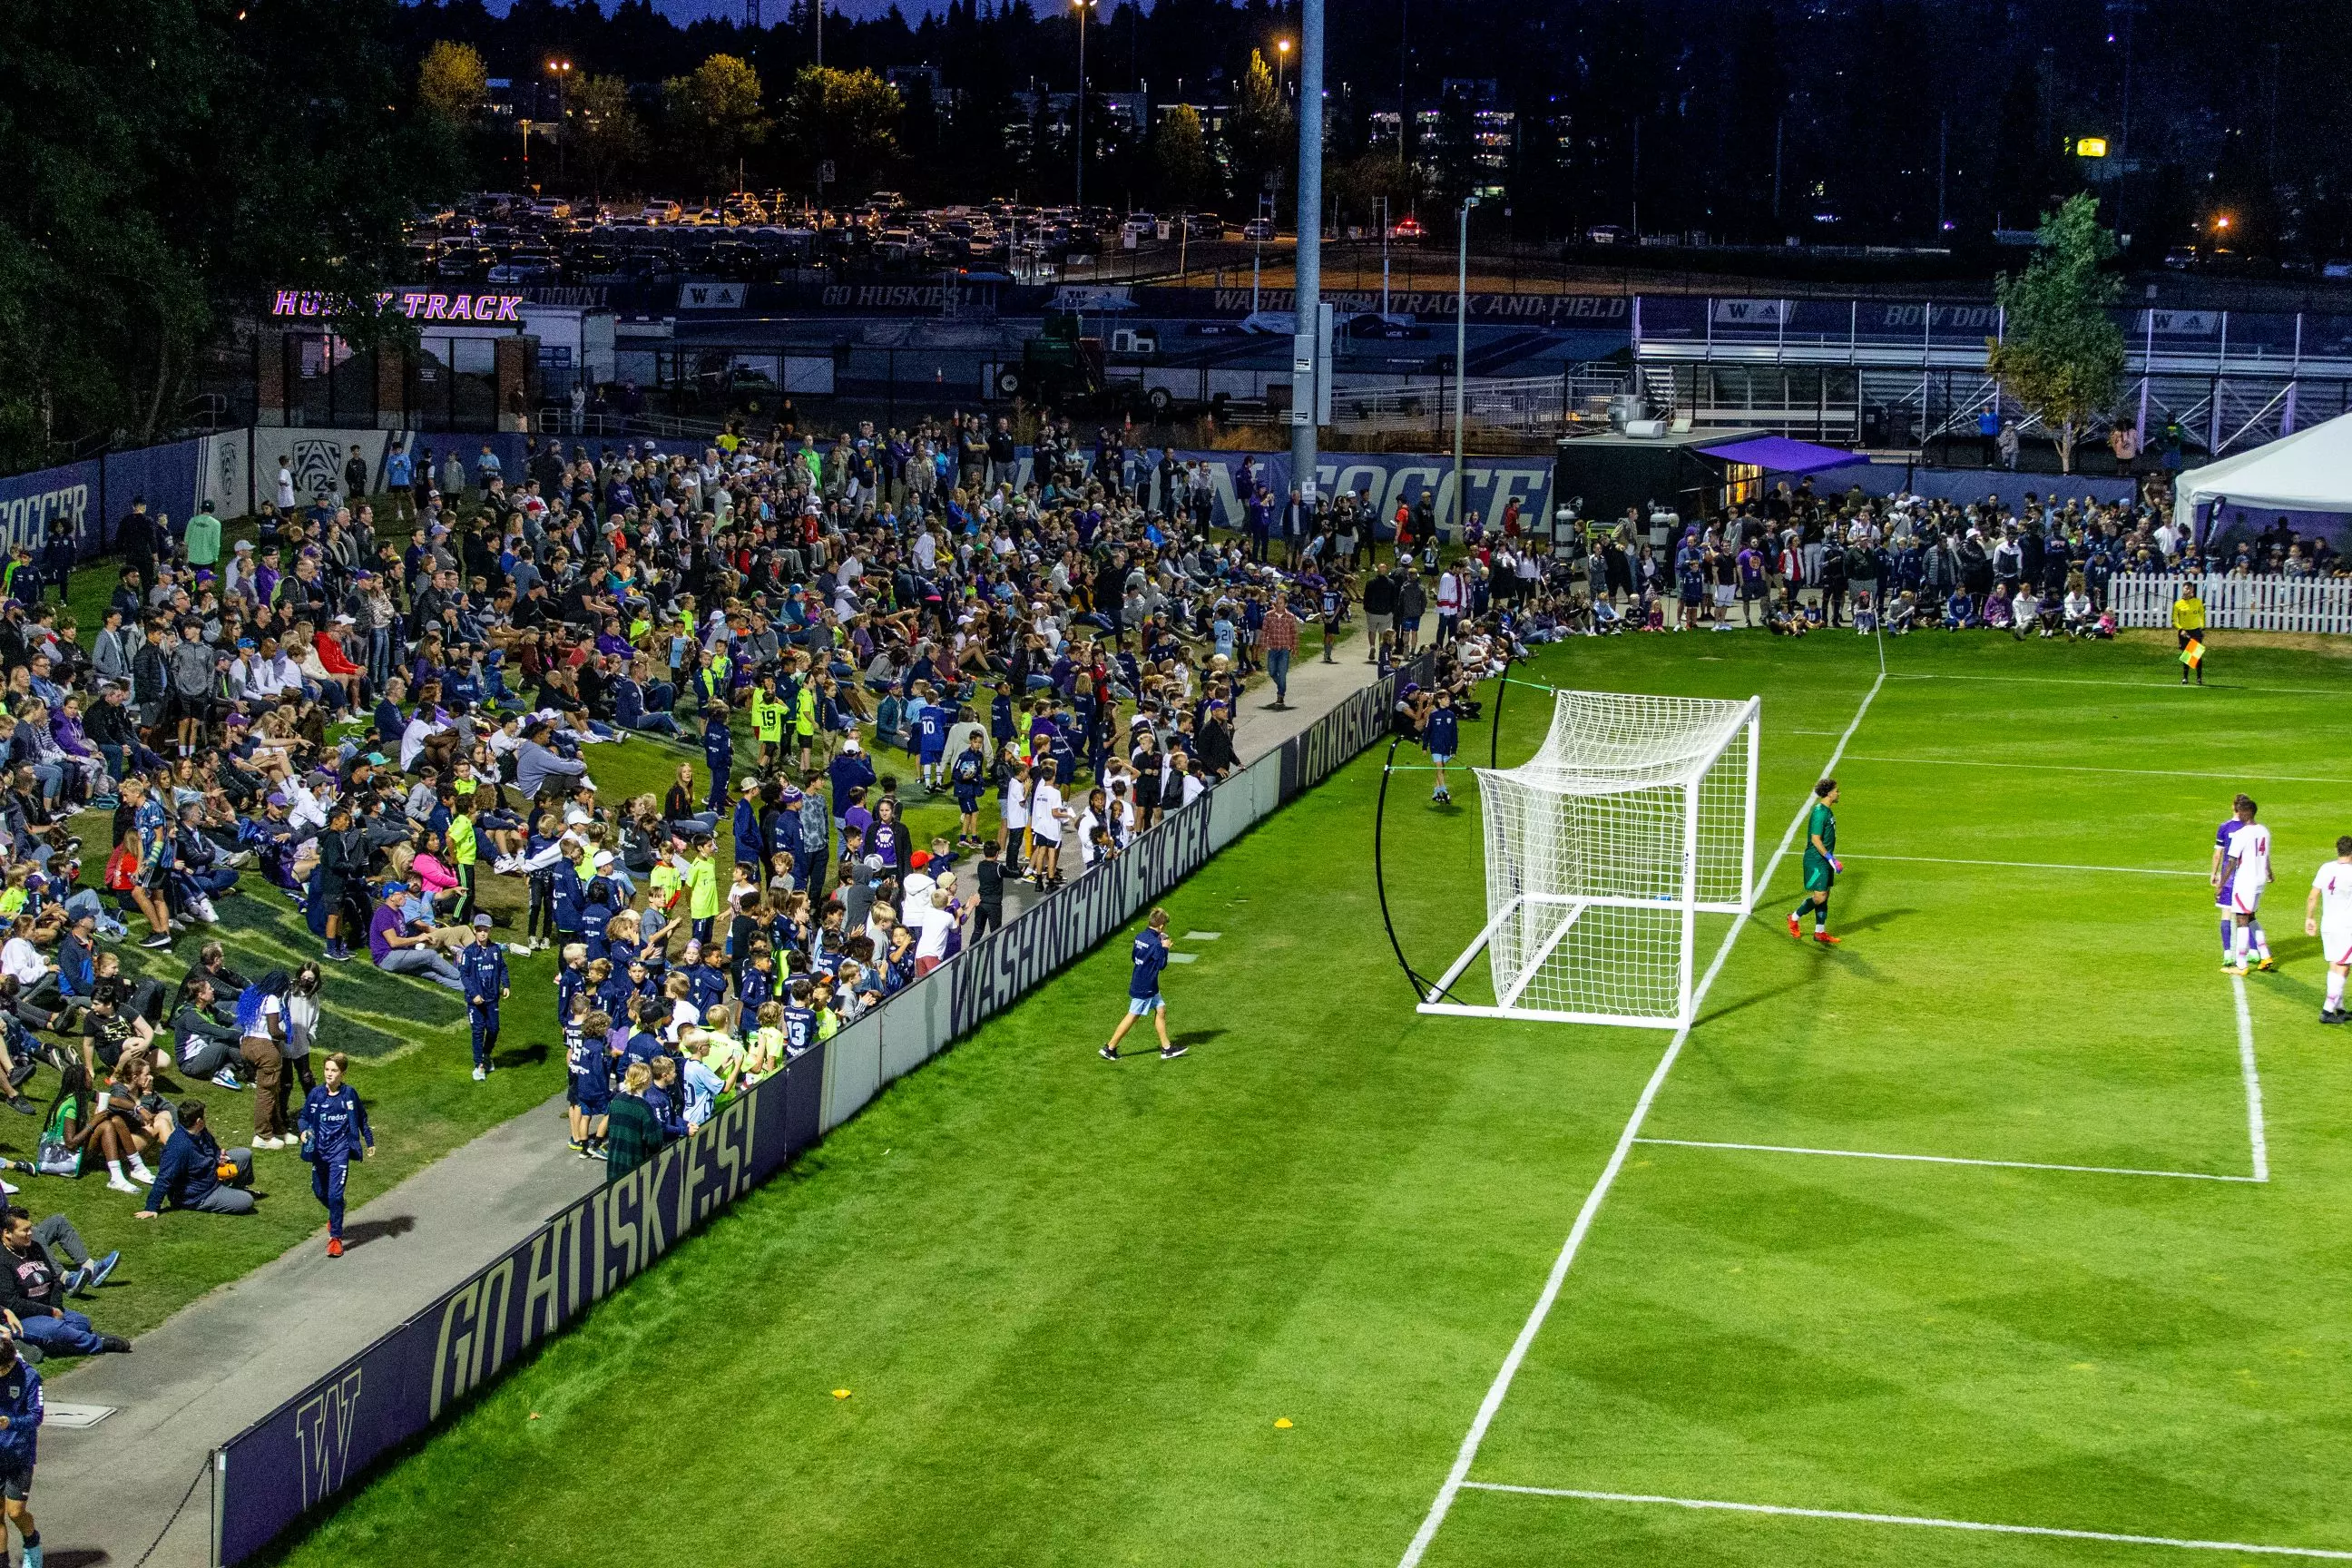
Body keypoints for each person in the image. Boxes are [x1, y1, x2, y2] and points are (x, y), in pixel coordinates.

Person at [0, 1208, 130, 1358]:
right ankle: (98, 1344)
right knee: (56, 1330)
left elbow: (54, 1279)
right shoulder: (2, 1260)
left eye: (30, 1228)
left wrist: (56, 1306)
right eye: (25, 1230)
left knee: (82, 1322)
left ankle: (50, 1345)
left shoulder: (34, 1247)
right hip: (21, 1317)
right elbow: (13, 1303)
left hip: (48, 1308)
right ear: (7, 1233)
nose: (30, 1233)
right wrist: (49, 1312)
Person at [299, 1053, 373, 1257]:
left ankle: (335, 1239)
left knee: (335, 1195)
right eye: (326, 1070)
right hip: (319, 1152)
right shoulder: (315, 1094)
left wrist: (368, 1141)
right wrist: (304, 1131)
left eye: (334, 1071)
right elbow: (303, 1117)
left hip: (340, 1152)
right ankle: (336, 1209)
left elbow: (361, 1119)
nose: (329, 1074)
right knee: (320, 1192)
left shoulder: (349, 1094)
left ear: (342, 1073)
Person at [135, 1100, 256, 1217]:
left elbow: (212, 1147)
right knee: (246, 1201)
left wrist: (219, 1155)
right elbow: (164, 1177)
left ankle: (237, 1188)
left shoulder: (200, 1131)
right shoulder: (178, 1147)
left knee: (244, 1154)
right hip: (199, 1194)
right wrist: (151, 1207)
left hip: (210, 1173)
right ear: (198, 1121)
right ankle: (219, 1196)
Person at [1100, 906, 1183, 1061]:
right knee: (1133, 1016)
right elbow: (1161, 965)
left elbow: (1134, 957)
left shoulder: (1140, 937)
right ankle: (1110, 1048)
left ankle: (1167, 1048)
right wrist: (1165, 949)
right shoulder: (1156, 944)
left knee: (1161, 1009)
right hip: (1146, 986)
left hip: (1142, 981)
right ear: (1161, 926)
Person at [0, 1327, 44, 1568]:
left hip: (19, 1455)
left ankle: (32, 1542)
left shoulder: (30, 1377)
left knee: (15, 1512)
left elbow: (36, 1417)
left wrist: (10, 1422)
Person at [2220, 794, 2273, 977]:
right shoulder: (2264, 831)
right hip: (2259, 881)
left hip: (2246, 882)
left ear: (2248, 812)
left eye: (2241, 811)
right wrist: (2270, 873)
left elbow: (2232, 861)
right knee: (2251, 917)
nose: (2238, 814)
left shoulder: (2242, 834)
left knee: (2241, 919)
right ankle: (2265, 956)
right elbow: (2265, 856)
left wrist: (2221, 885)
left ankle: (2241, 964)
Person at [1788, 778, 1842, 945]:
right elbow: (1815, 839)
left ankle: (1820, 932)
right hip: (1816, 860)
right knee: (1820, 897)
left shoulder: (1827, 810)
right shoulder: (1820, 812)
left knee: (1825, 894)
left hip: (1824, 859)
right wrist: (1830, 858)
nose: (1838, 793)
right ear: (1828, 793)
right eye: (1836, 790)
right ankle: (1793, 917)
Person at [457, 915, 510, 1081]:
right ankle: (478, 1064)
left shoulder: (495, 950)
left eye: (485, 930)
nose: (482, 934)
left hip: (492, 998)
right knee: (478, 1031)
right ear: (474, 931)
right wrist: (474, 994)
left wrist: (506, 985)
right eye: (479, 930)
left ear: (490, 931)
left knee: (494, 1029)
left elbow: (502, 968)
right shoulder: (469, 952)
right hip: (475, 1001)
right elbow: (464, 975)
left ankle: (486, 1055)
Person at [2307, 835, 2352, 1025]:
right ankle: (2327, 1010)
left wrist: (2309, 918)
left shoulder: (2326, 868)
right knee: (2343, 966)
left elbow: (2312, 896)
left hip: (2328, 925)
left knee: (2336, 964)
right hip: (2346, 927)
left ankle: (2339, 1008)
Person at [602, 1062, 662, 1181]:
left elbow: (610, 1127)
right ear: (646, 1081)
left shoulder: (617, 1100)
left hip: (614, 1161)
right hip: (634, 1163)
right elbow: (654, 1141)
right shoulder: (644, 1107)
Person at [1425, 688, 1459, 805]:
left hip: (1447, 747)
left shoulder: (1451, 715)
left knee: (1441, 769)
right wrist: (1424, 746)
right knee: (1439, 766)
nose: (1448, 700)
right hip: (1435, 746)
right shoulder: (1433, 715)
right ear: (1439, 701)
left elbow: (1454, 733)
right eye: (1445, 699)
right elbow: (1427, 731)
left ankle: (1436, 793)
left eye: (1448, 698)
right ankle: (1444, 790)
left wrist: (1454, 749)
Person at [2174, 580, 2207, 686]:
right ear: (2183, 589)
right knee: (2186, 655)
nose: (2187, 590)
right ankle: (2185, 678)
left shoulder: (2197, 602)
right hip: (2184, 632)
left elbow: (2202, 615)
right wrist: (2181, 629)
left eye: (2189, 588)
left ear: (2192, 590)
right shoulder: (2178, 604)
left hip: (2195, 631)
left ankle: (2199, 678)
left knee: (2196, 655)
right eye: (2185, 588)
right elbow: (2174, 620)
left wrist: (2202, 627)